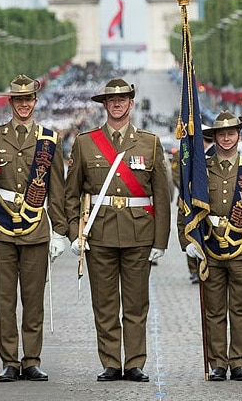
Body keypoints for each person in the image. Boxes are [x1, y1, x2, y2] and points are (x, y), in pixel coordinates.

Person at [65, 78, 171, 382]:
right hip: (99, 234)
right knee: (105, 303)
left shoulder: (149, 143)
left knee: (136, 304)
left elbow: (161, 196)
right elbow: (71, 194)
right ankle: (111, 361)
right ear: (104, 105)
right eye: (112, 100)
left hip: (139, 234)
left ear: (131, 103)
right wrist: (75, 233)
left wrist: (160, 240)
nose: (117, 104)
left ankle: (135, 362)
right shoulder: (86, 142)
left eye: (122, 99)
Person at [182, 111, 242, 381]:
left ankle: (239, 362)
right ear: (215, 137)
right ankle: (218, 362)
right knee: (215, 309)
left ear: (239, 135)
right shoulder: (200, 171)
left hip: (241, 247)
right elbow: (185, 207)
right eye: (222, 134)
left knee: (241, 309)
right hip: (210, 248)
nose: (226, 138)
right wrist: (186, 240)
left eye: (231, 133)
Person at [0, 75, 69, 382]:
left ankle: (32, 358)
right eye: (18, 100)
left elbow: (57, 189)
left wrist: (60, 231)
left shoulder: (50, 139)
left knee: (33, 300)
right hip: (2, 228)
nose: (24, 105)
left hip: (36, 228)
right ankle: (9, 360)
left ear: (35, 102)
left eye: (28, 100)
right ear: (11, 103)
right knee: (5, 300)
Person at [173, 127, 215, 284]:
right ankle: (193, 269)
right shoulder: (184, 156)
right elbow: (177, 176)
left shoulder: (215, 155)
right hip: (188, 197)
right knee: (190, 229)